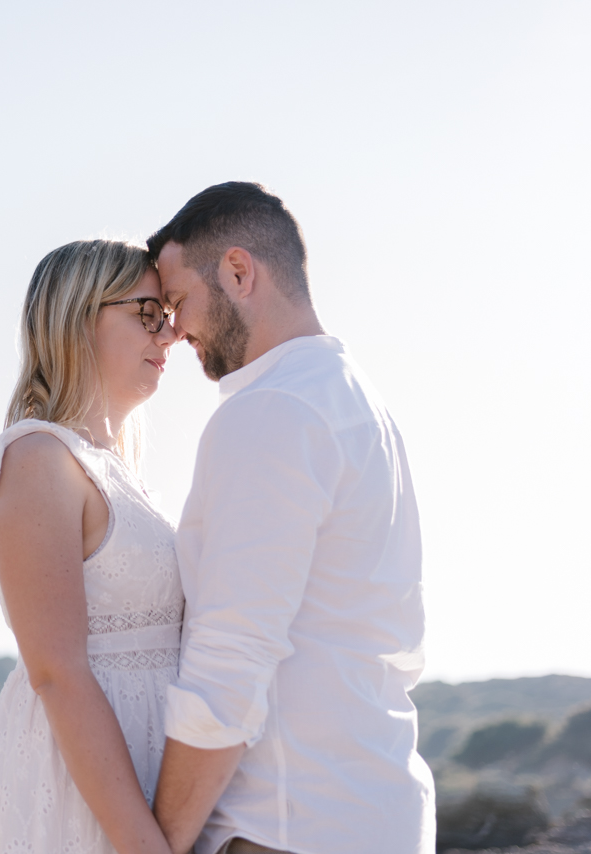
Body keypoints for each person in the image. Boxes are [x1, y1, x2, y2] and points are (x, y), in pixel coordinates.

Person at [146, 182, 435, 854]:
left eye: (178, 300)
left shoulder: (270, 411)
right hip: (372, 811)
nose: (174, 328)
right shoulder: (355, 401)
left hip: (288, 825)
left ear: (239, 271)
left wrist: (158, 843)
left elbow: (230, 658)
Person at [0, 239, 183, 854]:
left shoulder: (124, 476)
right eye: (148, 314)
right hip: (82, 797)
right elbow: (57, 671)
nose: (170, 335)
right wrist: (144, 844)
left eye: (170, 317)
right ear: (80, 315)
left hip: (151, 774)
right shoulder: (36, 458)